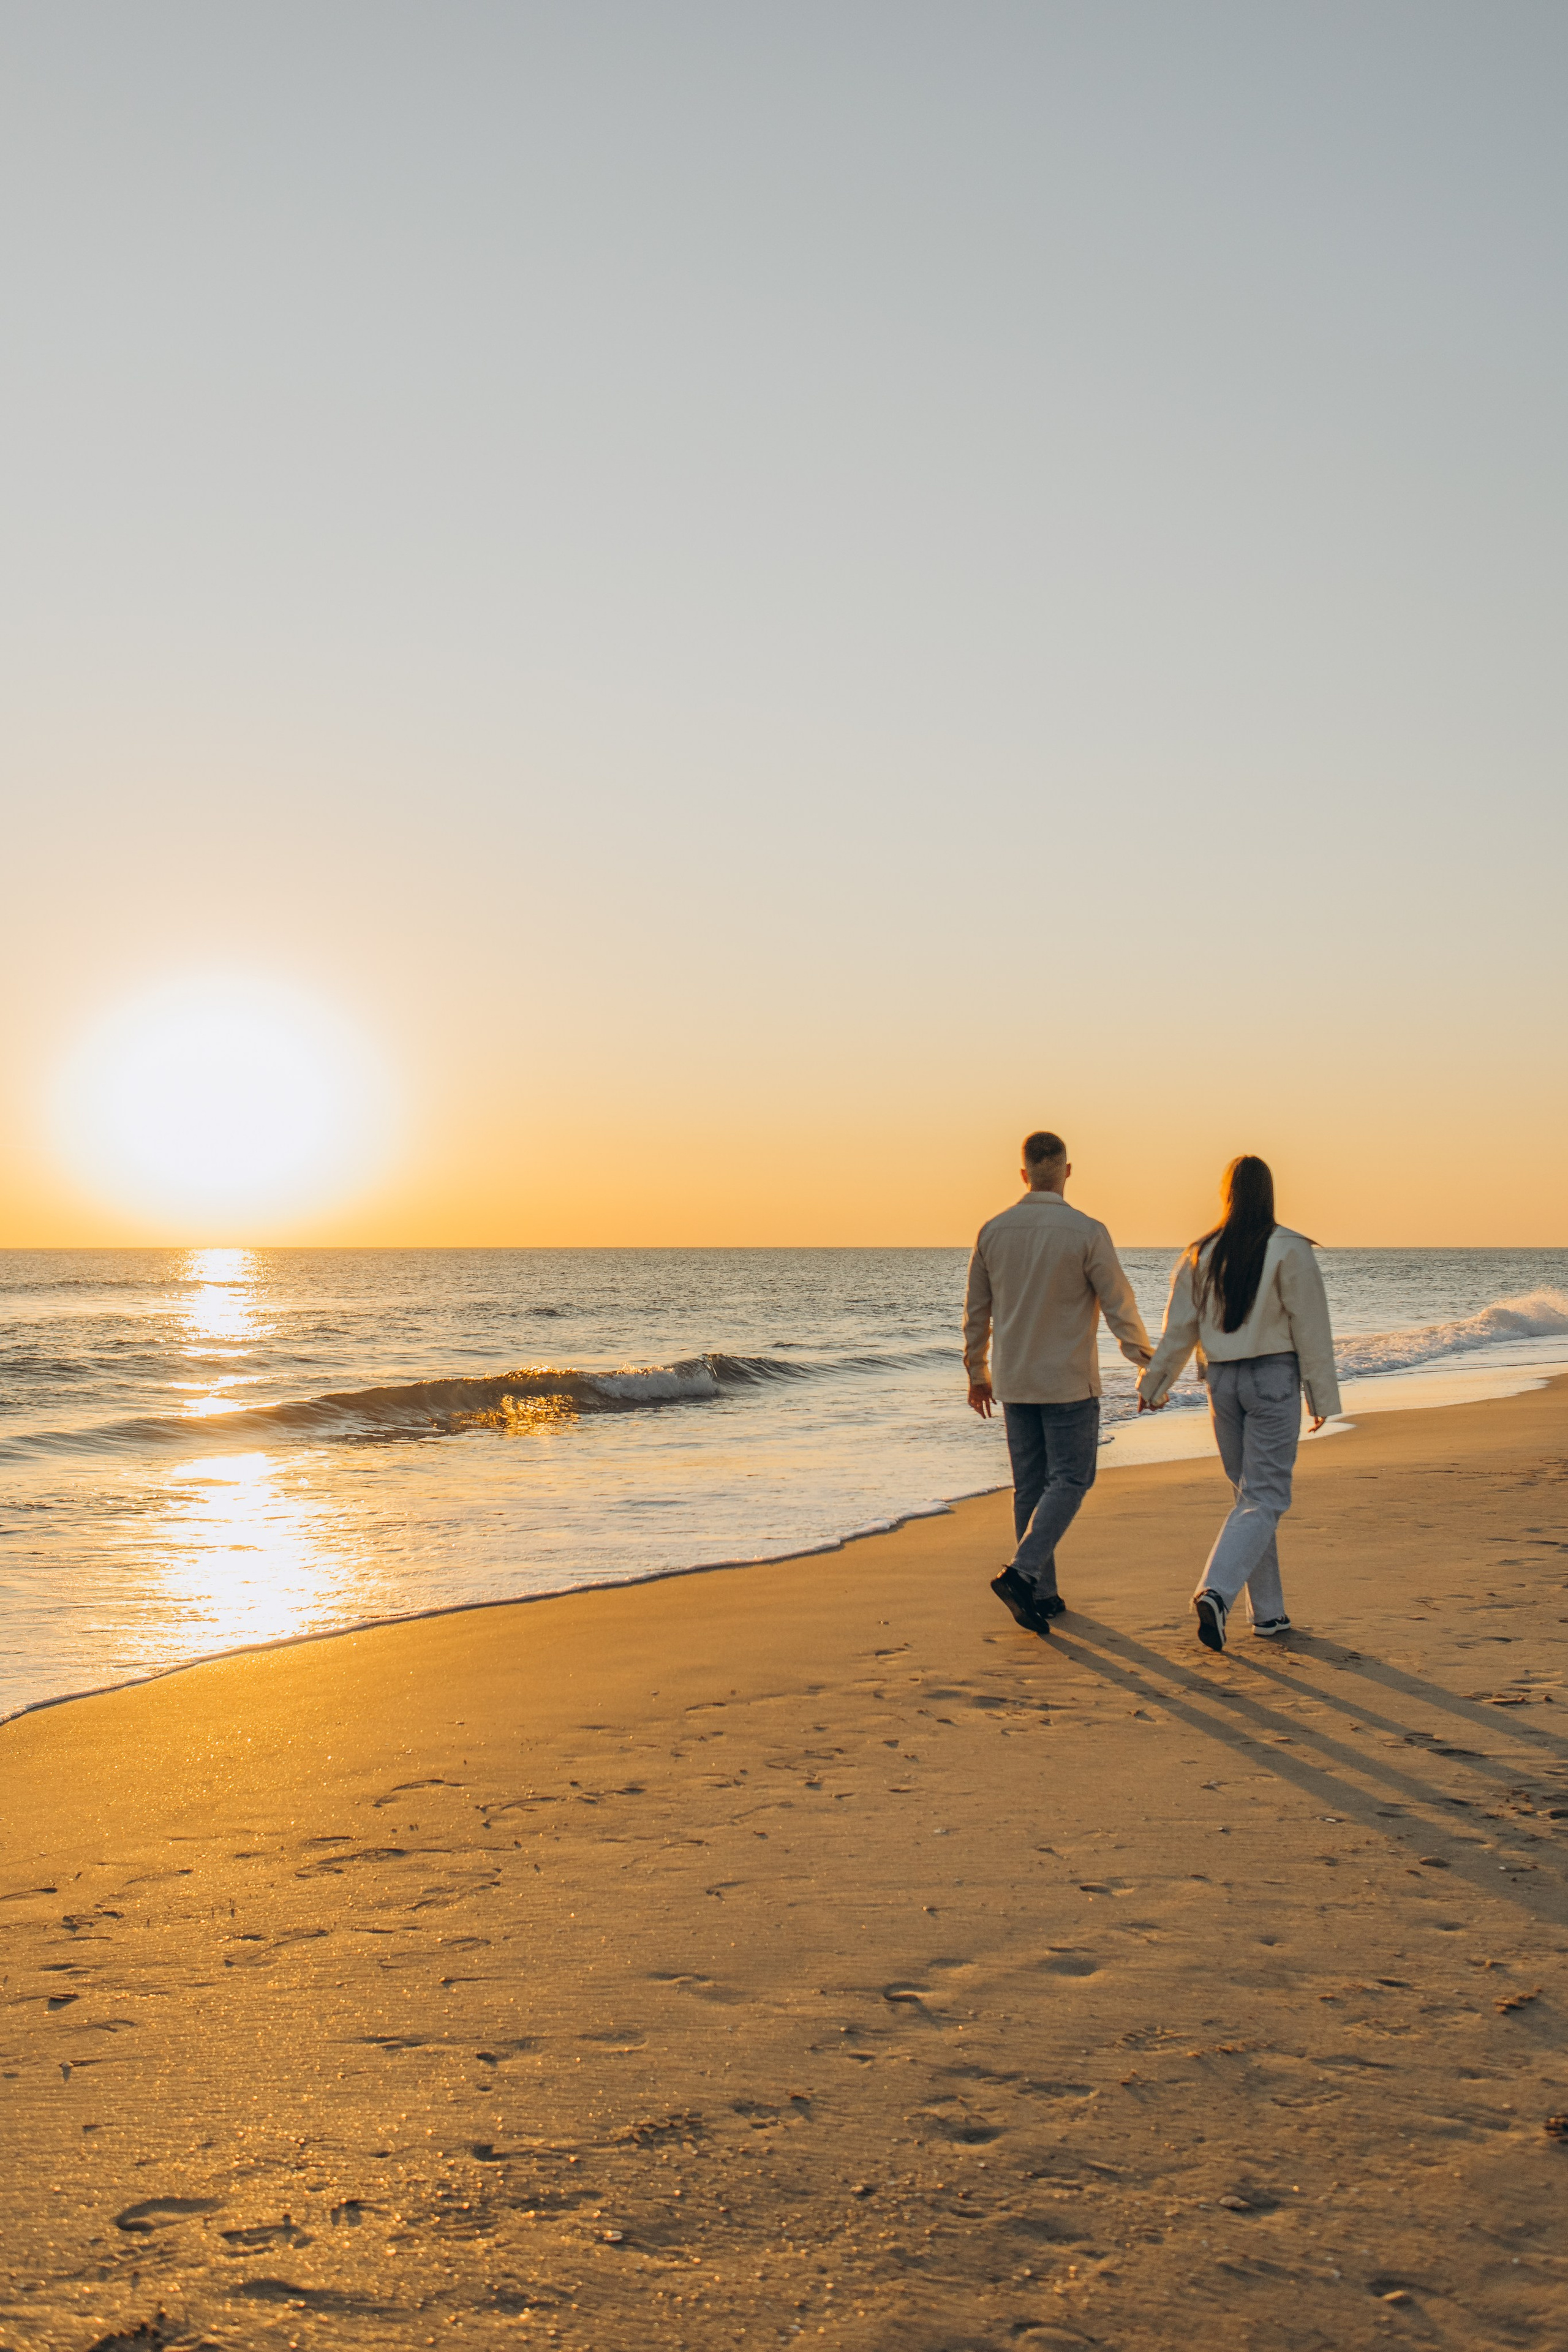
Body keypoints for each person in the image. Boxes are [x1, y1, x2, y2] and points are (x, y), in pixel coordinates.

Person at [1138, 1154, 1340, 1651]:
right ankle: (1216, 1591)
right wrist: (1320, 1395)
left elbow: (1179, 1329)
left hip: (1222, 1382)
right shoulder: (1289, 1247)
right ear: (1269, 1193)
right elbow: (1311, 1325)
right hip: (1272, 1378)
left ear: (1226, 1194)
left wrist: (1154, 1385)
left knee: (1250, 1498)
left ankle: (1268, 1613)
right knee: (1264, 1498)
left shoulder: (1201, 1253)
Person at [964, 1131, 1153, 1635]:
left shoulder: (993, 1232)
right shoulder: (1086, 1232)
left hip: (1015, 1380)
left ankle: (1041, 1594)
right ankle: (1023, 1574)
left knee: (1030, 1486)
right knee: (1071, 1479)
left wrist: (977, 1373)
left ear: (1023, 1173)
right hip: (1068, 1381)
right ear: (1067, 1171)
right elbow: (1118, 1305)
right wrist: (1146, 1363)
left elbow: (977, 1313)